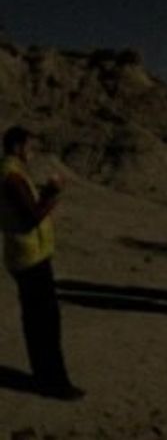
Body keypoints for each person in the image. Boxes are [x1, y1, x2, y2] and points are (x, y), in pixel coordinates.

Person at [0, 126, 84, 400]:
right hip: (29, 256)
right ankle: (54, 382)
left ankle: (44, 376)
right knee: (45, 322)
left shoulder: (12, 171)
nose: (32, 151)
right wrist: (52, 194)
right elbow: (30, 217)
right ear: (18, 146)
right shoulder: (10, 174)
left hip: (27, 254)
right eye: (30, 145)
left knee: (38, 320)